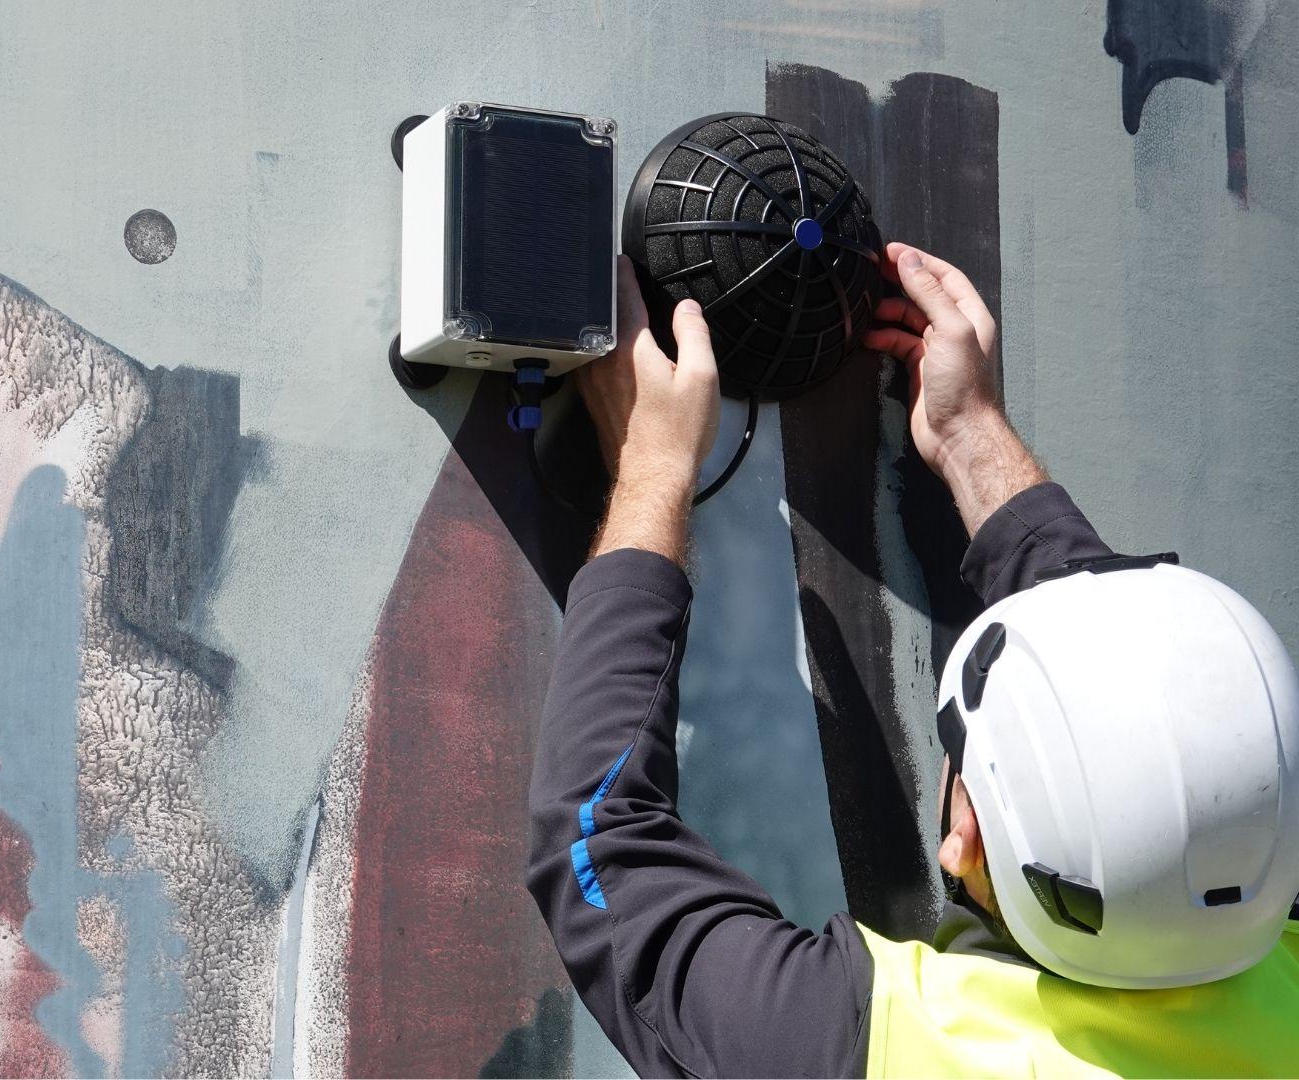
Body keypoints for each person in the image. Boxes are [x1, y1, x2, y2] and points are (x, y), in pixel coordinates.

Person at [527, 242, 1299, 1078]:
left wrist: (651, 465)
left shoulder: (872, 1048)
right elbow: (1154, 693)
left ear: (962, 837)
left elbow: (596, 842)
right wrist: (971, 434)